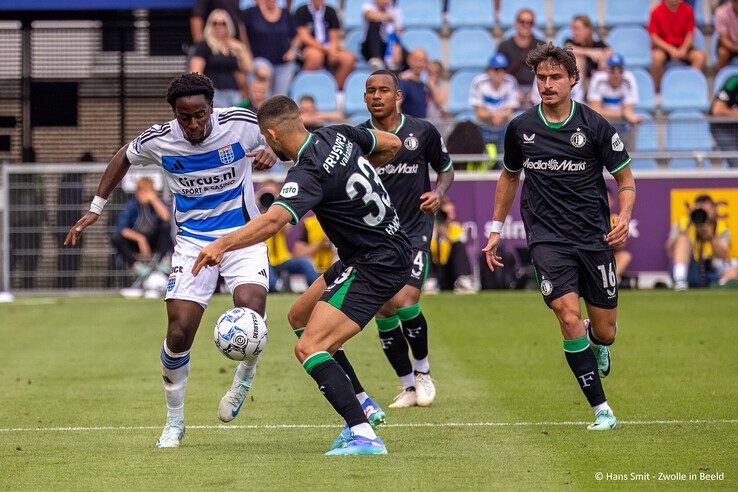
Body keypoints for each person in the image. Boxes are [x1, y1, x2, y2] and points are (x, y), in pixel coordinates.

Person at [64, 73, 278, 448]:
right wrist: (96, 208)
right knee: (179, 333)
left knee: (251, 312)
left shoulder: (242, 124)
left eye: (199, 115)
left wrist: (272, 151)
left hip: (242, 236)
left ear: (212, 107)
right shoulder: (160, 138)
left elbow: (284, 137)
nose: (193, 124)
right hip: (193, 244)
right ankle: (174, 422)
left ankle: (244, 375)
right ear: (174, 114)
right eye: (184, 117)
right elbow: (122, 157)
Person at [192, 95, 411, 456]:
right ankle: (362, 401)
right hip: (375, 247)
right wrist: (352, 173)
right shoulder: (337, 134)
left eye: (265, 139)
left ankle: (362, 433)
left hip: (376, 262)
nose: (266, 145)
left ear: (273, 134)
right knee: (299, 315)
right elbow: (392, 144)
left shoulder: (308, 170)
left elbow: (275, 220)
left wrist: (222, 245)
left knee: (309, 347)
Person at [483, 43, 637, 431]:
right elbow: (509, 176)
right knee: (567, 315)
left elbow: (625, 179)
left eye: (555, 77)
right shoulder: (520, 127)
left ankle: (596, 341)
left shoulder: (595, 125)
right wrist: (496, 228)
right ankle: (602, 409)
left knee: (606, 331)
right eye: (541, 78)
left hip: (593, 237)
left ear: (573, 80)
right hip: (547, 239)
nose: (547, 84)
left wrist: (624, 213)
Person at [359, 69, 454, 408]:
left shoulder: (422, 131)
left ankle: (424, 371)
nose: (376, 96)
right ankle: (408, 386)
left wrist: (439, 193)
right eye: (371, 91)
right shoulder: (358, 137)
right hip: (374, 237)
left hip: (414, 231)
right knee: (382, 309)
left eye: (384, 90)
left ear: (398, 95)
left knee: (406, 301)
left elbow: (446, 168)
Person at [256, 181, 320, 292]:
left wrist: (277, 204)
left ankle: (316, 291)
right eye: (266, 193)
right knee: (271, 285)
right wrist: (257, 204)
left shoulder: (281, 214)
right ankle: (281, 285)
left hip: (283, 259)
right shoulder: (255, 214)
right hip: (264, 261)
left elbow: (286, 228)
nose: (269, 197)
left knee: (305, 263)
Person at [666, 194, 737, 290]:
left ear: (714, 209)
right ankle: (680, 281)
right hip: (690, 267)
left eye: (708, 210)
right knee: (683, 239)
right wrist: (686, 228)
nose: (704, 215)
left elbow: (723, 254)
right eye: (701, 211)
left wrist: (711, 237)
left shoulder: (721, 227)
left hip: (710, 267)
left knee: (733, 270)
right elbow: (669, 250)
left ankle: (719, 286)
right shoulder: (683, 223)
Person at [111, 176, 174, 281]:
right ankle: (137, 267)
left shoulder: (157, 203)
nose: (144, 194)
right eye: (142, 190)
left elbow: (166, 217)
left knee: (166, 227)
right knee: (116, 238)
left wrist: (154, 199)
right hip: (136, 242)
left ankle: (162, 264)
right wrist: (140, 239)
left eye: (148, 191)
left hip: (155, 240)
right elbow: (121, 228)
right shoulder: (131, 206)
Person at [189, 10, 253, 108]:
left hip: (234, 91)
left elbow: (248, 68)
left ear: (228, 25)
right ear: (210, 25)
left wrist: (241, 49)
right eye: (215, 23)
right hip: (213, 92)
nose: (219, 26)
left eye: (223, 23)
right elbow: (196, 72)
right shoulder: (204, 45)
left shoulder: (234, 46)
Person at [586, 53, 644, 153]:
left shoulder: (629, 79)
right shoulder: (598, 79)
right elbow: (594, 111)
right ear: (607, 71)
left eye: (620, 71)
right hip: (602, 127)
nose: (616, 75)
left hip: (623, 127)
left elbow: (629, 110)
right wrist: (623, 114)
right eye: (613, 71)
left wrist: (606, 112)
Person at [294, 0, 356, 90]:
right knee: (315, 57)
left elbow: (334, 35)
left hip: (329, 47)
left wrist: (333, 50)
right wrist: (324, 49)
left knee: (348, 58)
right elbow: (304, 37)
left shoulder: (331, 11)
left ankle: (332, 90)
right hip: (310, 47)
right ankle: (304, 88)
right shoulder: (301, 11)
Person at [242, 0, 299, 97]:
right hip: (259, 60)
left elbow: (296, 36)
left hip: (283, 62)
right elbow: (243, 35)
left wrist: (293, 50)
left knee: (279, 99)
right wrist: (247, 56)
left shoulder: (285, 14)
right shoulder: (251, 13)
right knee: (265, 72)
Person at [648, 0, 705, 92]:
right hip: (664, 48)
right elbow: (654, 37)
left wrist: (684, 48)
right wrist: (670, 49)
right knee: (656, 58)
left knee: (699, 57)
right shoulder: (656, 11)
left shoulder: (688, 10)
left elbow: (690, 33)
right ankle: (658, 90)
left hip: (683, 46)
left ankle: (690, 86)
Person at [469, 53, 520, 149]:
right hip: (484, 127)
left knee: (504, 160)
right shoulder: (479, 82)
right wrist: (492, 114)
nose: (500, 73)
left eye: (503, 69)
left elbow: (509, 111)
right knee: (483, 161)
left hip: (503, 127)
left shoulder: (511, 81)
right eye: (496, 70)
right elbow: (479, 112)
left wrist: (499, 115)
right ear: (489, 70)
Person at [497, 8, 545, 99]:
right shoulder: (504, 46)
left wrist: (536, 91)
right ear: (516, 23)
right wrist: (513, 91)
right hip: (510, 91)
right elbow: (498, 71)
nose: (525, 25)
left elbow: (546, 71)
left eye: (529, 22)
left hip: (537, 90)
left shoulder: (541, 46)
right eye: (522, 21)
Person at [430, 199, 475, 294]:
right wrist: (436, 229)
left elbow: (461, 242)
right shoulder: (431, 228)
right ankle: (428, 283)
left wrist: (445, 234)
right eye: (447, 213)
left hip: (451, 270)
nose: (450, 216)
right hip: (434, 268)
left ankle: (462, 281)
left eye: (452, 212)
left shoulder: (456, 227)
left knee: (458, 245)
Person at [565, 15, 610, 87]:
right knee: (577, 59)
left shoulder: (598, 44)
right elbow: (568, 49)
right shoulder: (570, 41)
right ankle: (579, 96)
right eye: (573, 29)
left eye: (577, 29)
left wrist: (601, 55)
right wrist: (589, 52)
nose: (574, 33)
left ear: (588, 29)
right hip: (580, 84)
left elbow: (610, 53)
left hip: (594, 82)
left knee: (604, 59)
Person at [361, 0, 404, 70]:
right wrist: (387, 17)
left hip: (389, 44)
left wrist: (396, 46)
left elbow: (398, 31)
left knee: (411, 56)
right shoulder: (368, 6)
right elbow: (369, 15)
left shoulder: (395, 9)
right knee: (374, 24)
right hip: (370, 47)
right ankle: (376, 58)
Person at [710, 74, 738, 168]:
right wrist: (734, 114)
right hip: (723, 128)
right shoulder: (734, 81)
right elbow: (717, 109)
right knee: (736, 163)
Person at [398, 48, 431, 118]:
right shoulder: (405, 83)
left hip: (421, 125)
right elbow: (396, 105)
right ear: (409, 61)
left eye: (423, 61)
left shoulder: (424, 84)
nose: (420, 64)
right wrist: (402, 125)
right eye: (416, 60)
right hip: (410, 126)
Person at [715, 0, 738, 71]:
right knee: (723, 53)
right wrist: (735, 48)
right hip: (728, 45)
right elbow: (723, 38)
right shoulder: (721, 12)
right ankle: (719, 79)